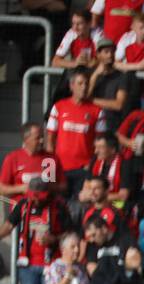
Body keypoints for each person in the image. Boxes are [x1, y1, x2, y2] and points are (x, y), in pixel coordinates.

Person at [46, 68, 108, 199]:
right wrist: (50, 170)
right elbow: (50, 140)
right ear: (71, 86)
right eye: (80, 83)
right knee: (59, 205)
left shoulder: (97, 111)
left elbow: (100, 143)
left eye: (86, 83)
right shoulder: (58, 107)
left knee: (82, 206)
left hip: (84, 169)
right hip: (60, 167)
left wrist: (91, 166)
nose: (84, 87)